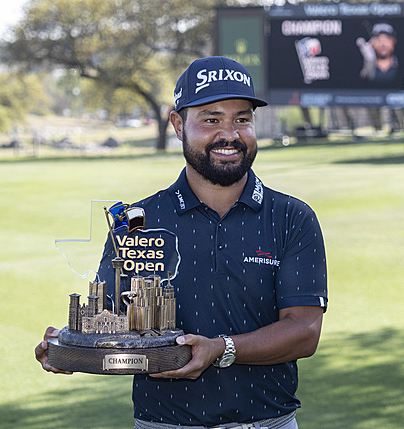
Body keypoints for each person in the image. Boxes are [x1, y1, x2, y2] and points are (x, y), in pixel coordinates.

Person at [35, 56, 328, 429]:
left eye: (242, 119)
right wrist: (69, 346)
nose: (230, 134)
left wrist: (220, 349)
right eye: (211, 119)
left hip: (267, 423)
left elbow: (304, 332)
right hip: (163, 423)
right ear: (178, 125)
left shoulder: (292, 217)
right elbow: (112, 319)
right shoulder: (135, 220)